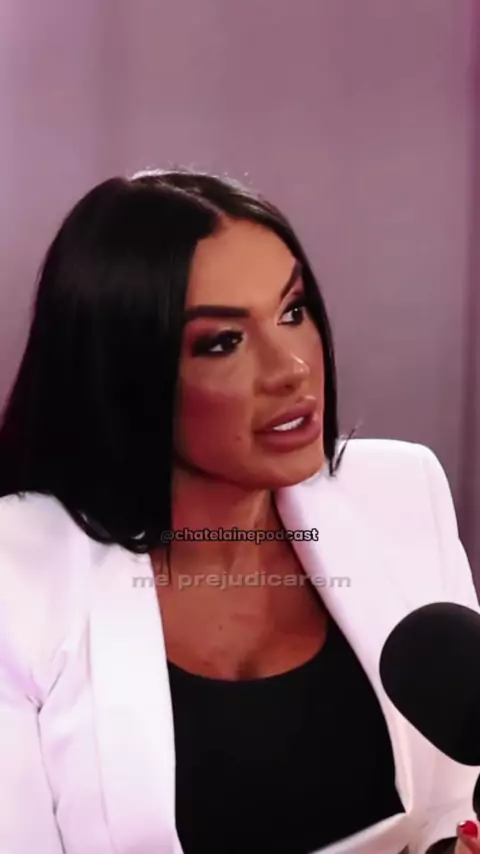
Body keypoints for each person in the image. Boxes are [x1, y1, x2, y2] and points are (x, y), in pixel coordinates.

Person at [0, 167, 478, 854]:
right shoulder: (17, 577)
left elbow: (454, 803)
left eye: (293, 311)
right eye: (223, 341)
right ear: (126, 371)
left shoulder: (401, 493)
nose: (292, 369)